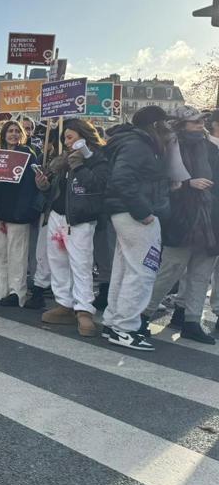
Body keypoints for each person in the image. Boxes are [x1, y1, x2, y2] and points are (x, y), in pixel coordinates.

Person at [138, 106, 218, 344]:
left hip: (210, 218)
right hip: (182, 218)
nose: (200, 125)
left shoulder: (210, 148)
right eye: (194, 122)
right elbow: (162, 182)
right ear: (181, 125)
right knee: (169, 269)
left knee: (201, 274)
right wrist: (186, 184)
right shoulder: (170, 146)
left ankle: (192, 321)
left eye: (201, 121)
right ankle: (143, 314)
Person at [100, 105, 172, 351]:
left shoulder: (132, 142)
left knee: (125, 269)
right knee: (142, 271)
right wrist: (143, 211)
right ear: (155, 125)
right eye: (165, 124)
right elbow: (122, 179)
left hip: (125, 212)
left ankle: (114, 322)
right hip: (135, 214)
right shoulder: (139, 145)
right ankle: (125, 327)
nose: (169, 128)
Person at [38, 119, 109, 337]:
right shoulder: (61, 160)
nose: (67, 142)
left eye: (70, 137)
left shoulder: (97, 157)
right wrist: (44, 186)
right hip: (58, 216)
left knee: (81, 264)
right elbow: (57, 190)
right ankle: (64, 303)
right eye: (65, 138)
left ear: (83, 135)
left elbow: (99, 185)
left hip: (80, 219)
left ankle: (84, 309)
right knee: (58, 261)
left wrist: (80, 164)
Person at [0, 119, 41, 307]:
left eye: (17, 131)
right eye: (10, 131)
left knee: (17, 253)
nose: (14, 134)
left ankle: (17, 292)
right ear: (3, 134)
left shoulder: (28, 154)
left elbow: (31, 185)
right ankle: (0, 289)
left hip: (19, 210)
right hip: (0, 209)